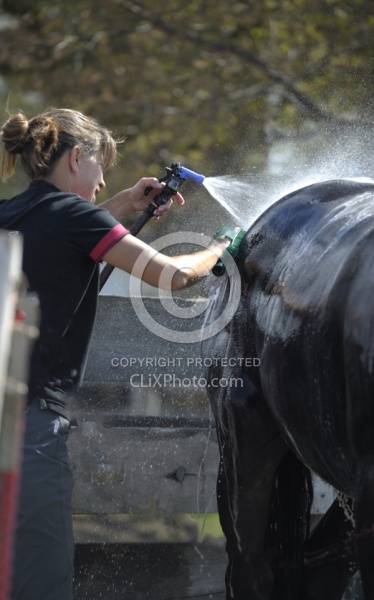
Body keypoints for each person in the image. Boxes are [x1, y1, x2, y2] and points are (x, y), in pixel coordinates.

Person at [0, 108, 229, 600]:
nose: (104, 182)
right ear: (77, 157)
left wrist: (124, 204)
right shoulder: (78, 219)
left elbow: (59, 239)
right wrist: (221, 247)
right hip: (29, 427)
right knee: (40, 582)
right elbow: (175, 276)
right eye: (101, 166)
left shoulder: (9, 212)